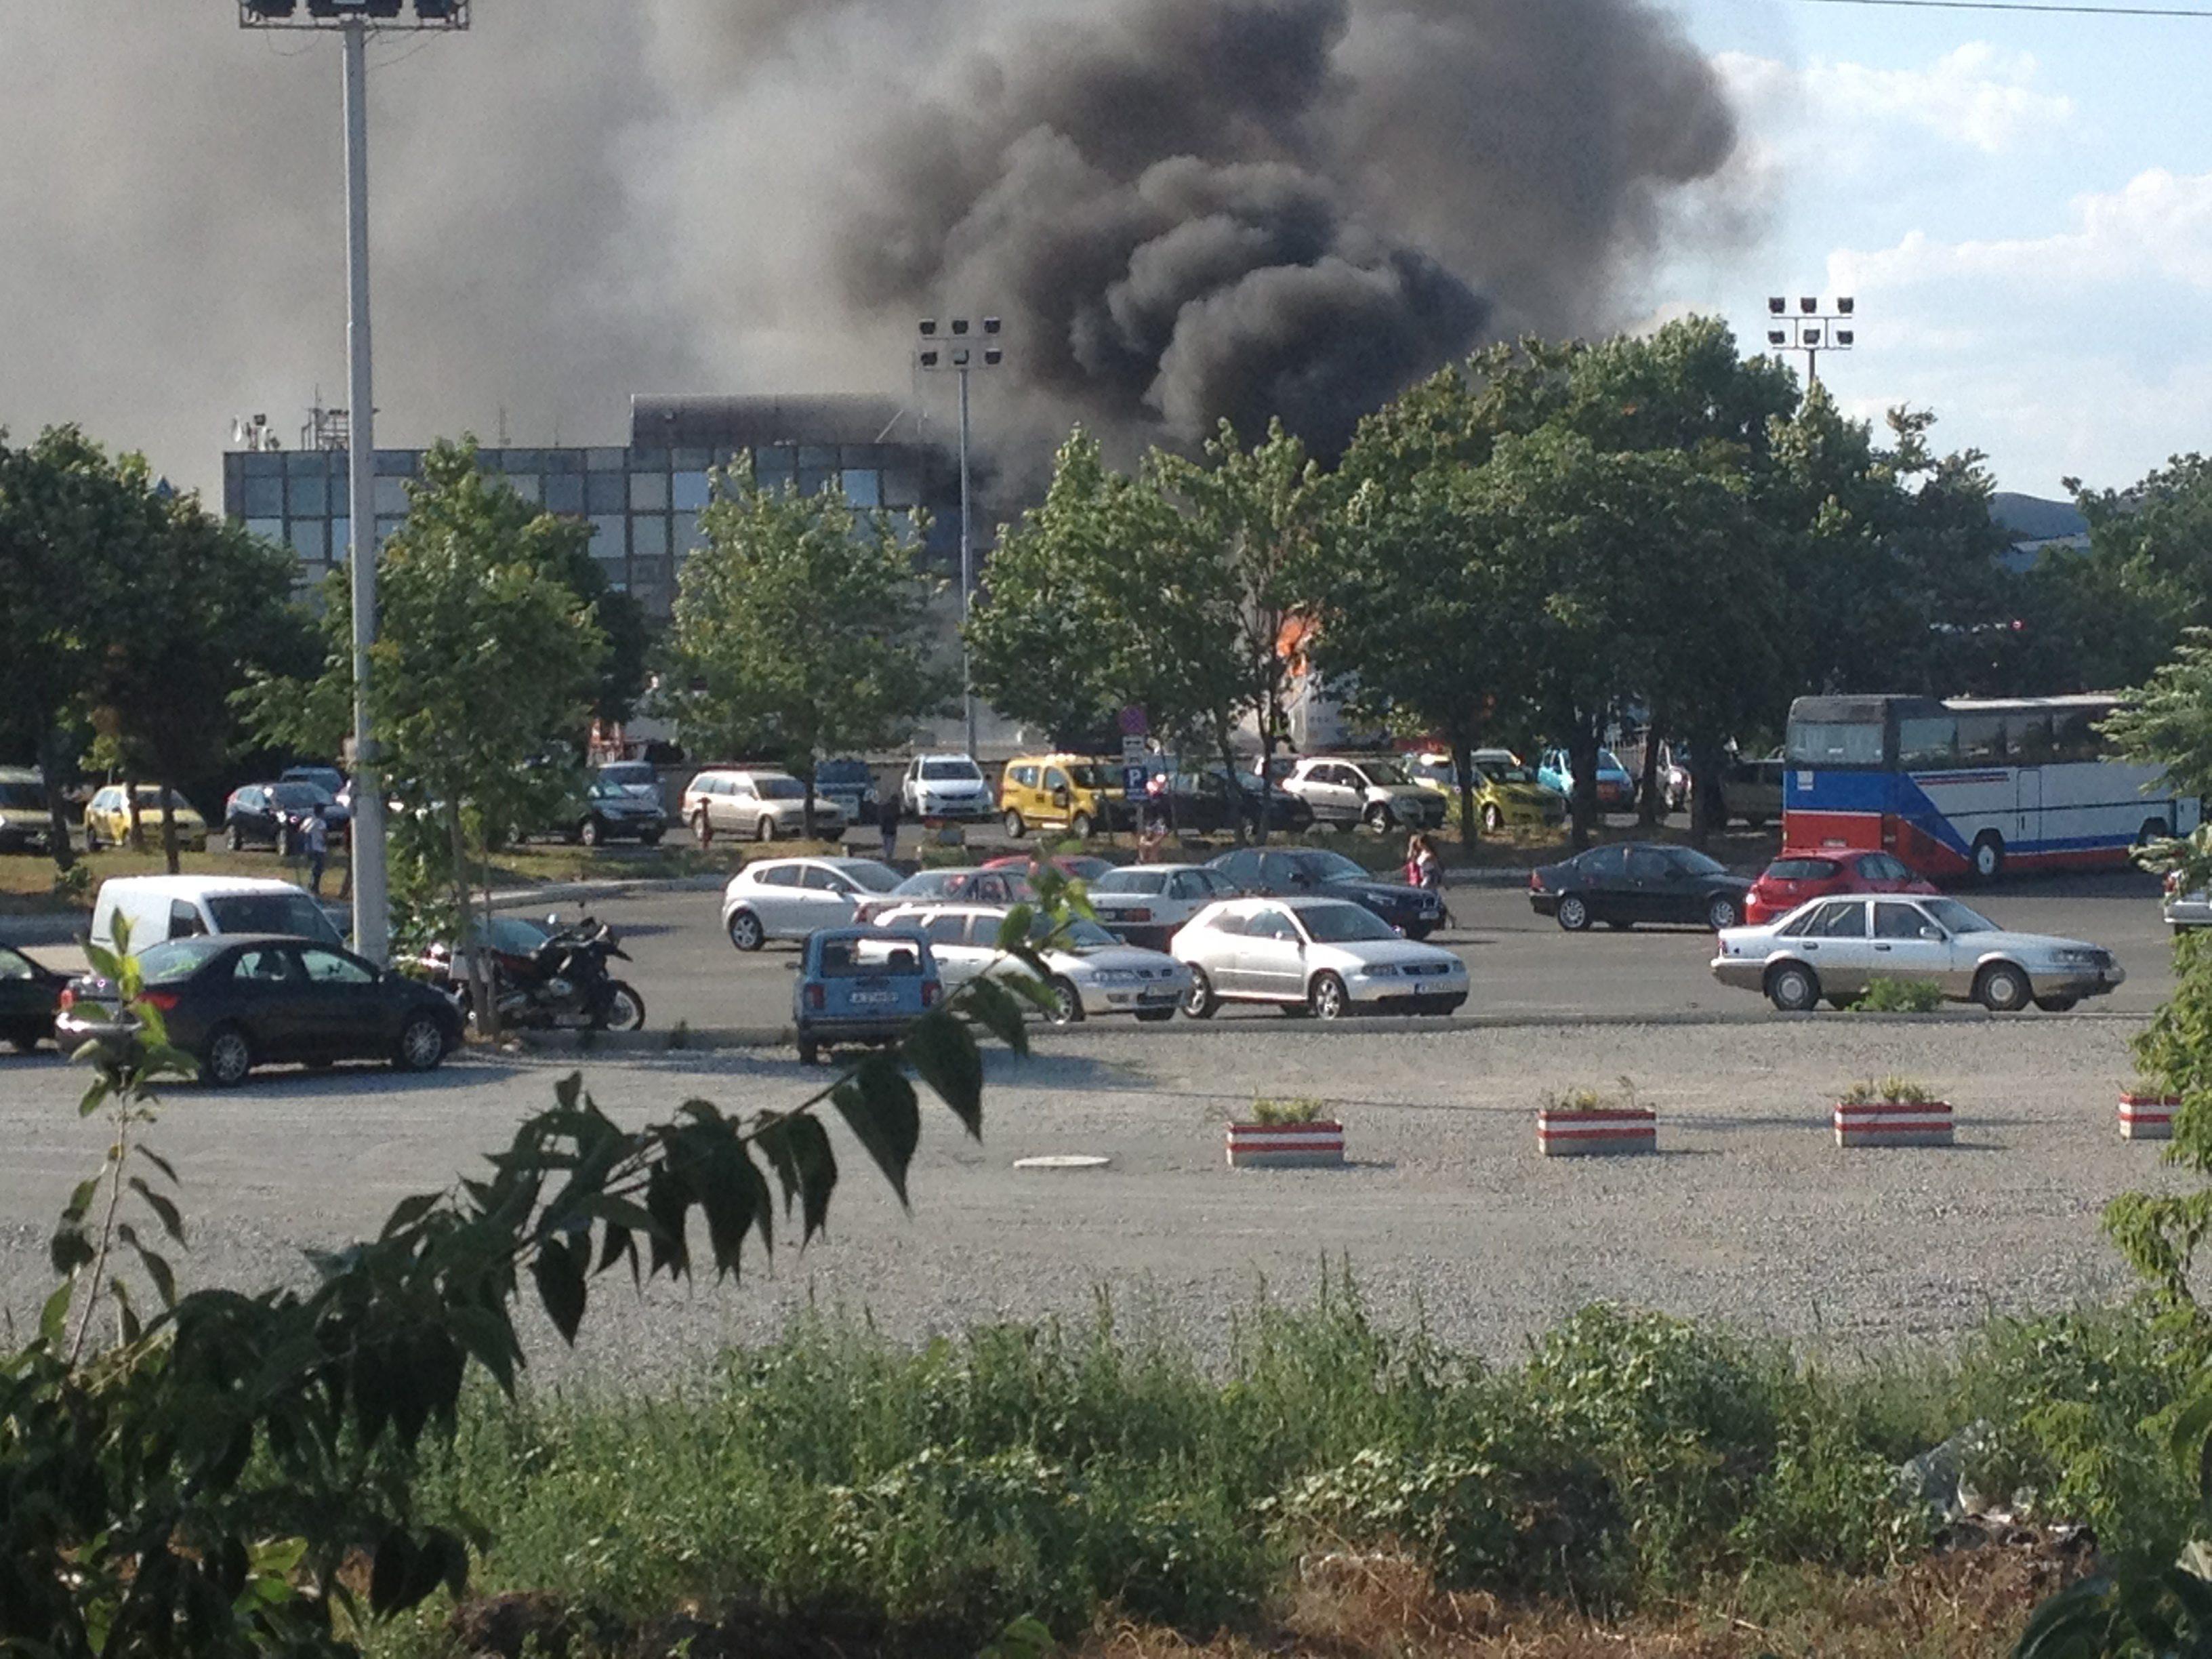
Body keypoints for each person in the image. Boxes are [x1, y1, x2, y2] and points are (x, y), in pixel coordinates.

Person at [304, 803, 330, 898]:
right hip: (319, 848)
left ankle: (310, 886)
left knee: (313, 868)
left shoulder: (308, 821)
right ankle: (315, 888)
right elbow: (324, 834)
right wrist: (327, 843)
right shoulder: (321, 822)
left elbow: (303, 830)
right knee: (318, 870)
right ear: (321, 812)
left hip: (310, 848)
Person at [878, 789, 903, 863]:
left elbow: (882, 816)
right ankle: (888, 856)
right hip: (890, 828)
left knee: (887, 841)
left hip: (887, 827)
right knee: (889, 842)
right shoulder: (895, 808)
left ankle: (888, 856)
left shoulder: (887, 807)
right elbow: (898, 817)